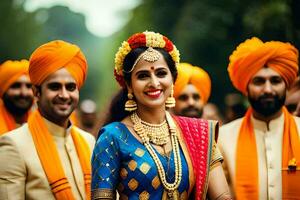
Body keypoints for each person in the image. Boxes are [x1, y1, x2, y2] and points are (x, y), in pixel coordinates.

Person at [91, 31, 231, 200]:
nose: (154, 83)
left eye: (161, 73)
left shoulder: (199, 134)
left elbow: (223, 197)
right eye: (143, 76)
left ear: (173, 79)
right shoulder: (112, 136)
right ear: (129, 85)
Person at [0, 40, 95, 199]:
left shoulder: (89, 141)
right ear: (36, 92)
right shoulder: (13, 145)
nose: (64, 95)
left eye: (71, 87)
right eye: (55, 87)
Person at [218, 37, 300, 199]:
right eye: (259, 81)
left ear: (286, 86)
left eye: (275, 81)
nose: (268, 89)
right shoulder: (223, 137)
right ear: (246, 88)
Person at [0, 59, 34, 135]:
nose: (24, 93)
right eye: (16, 86)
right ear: (2, 90)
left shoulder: (43, 124)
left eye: (29, 86)